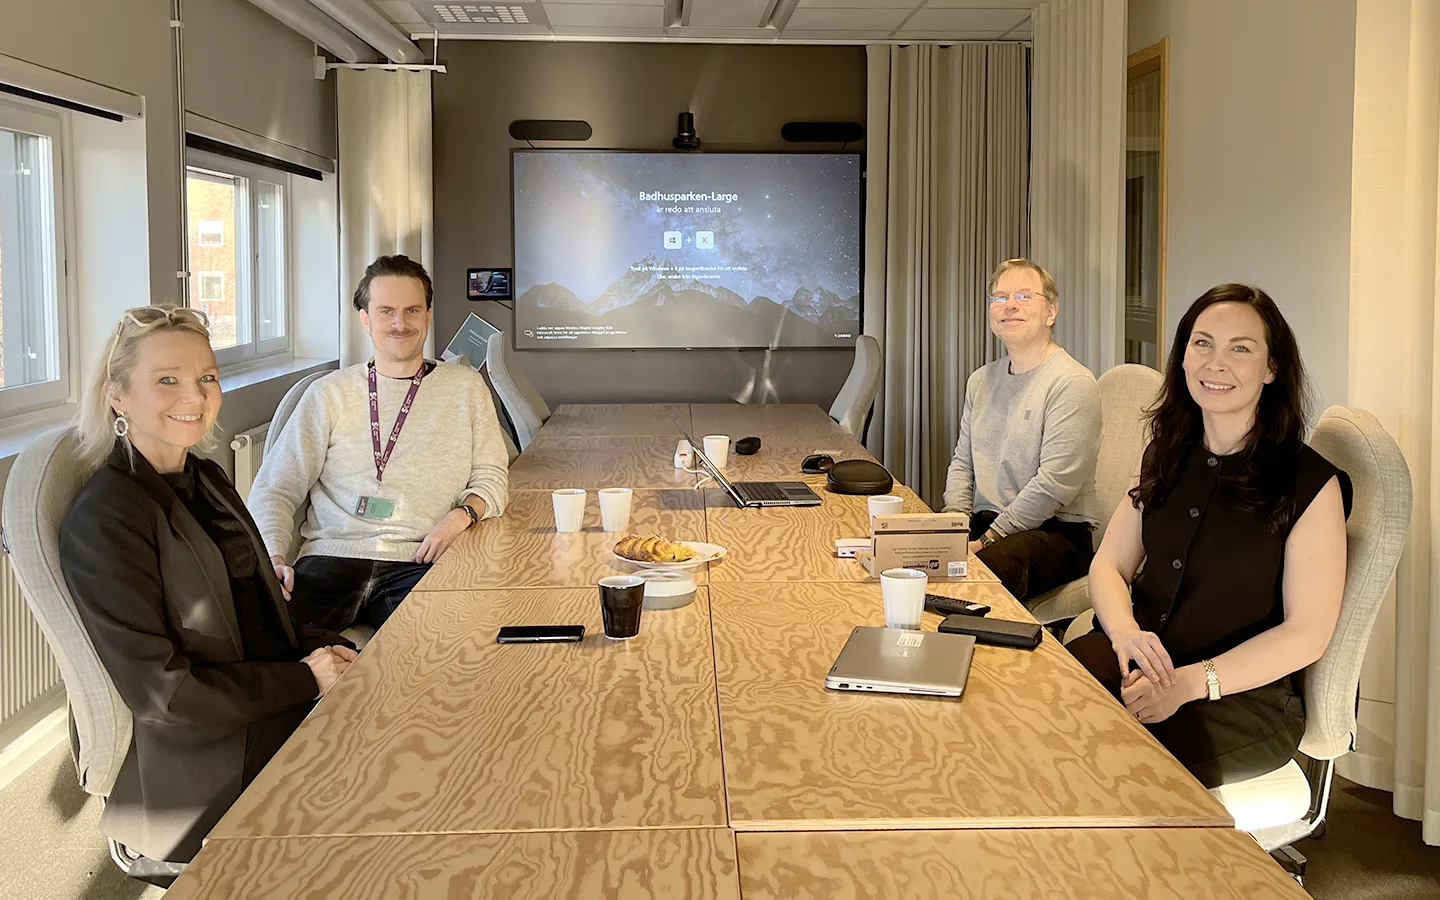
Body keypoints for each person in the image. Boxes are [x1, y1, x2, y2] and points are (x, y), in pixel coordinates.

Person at [59, 307, 356, 863]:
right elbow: (164, 693)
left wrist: (331, 648)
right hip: (207, 762)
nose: (194, 396)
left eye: (207, 378)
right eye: (167, 380)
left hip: (263, 704)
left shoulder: (207, 478)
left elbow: (255, 610)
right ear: (117, 396)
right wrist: (304, 680)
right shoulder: (108, 517)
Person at [1066, 284, 1350, 789]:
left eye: (1241, 348)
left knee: (1103, 772)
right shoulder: (1165, 453)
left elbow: (1307, 633)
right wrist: (1126, 633)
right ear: (1182, 359)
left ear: (1271, 368)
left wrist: (1187, 684)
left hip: (1237, 698)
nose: (1216, 363)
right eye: (1202, 344)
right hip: (1139, 662)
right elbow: (1109, 565)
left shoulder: (1311, 484)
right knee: (1029, 720)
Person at [250, 255, 509, 632]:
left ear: (428, 315)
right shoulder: (329, 394)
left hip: (418, 560)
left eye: (412, 310)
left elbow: (492, 477)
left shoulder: (466, 388)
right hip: (330, 559)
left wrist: (462, 516)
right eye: (386, 310)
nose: (400, 323)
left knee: (450, 657)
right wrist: (272, 555)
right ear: (366, 318)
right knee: (265, 652)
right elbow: (276, 487)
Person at [941, 258, 1103, 601]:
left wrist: (985, 541)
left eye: (1024, 296)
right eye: (1000, 297)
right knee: (912, 559)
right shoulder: (980, 381)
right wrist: (953, 527)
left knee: (973, 578)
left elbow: (1053, 485)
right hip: (989, 524)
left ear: (1051, 312)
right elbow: (962, 464)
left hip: (1054, 533)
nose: (1009, 305)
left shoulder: (1071, 383)